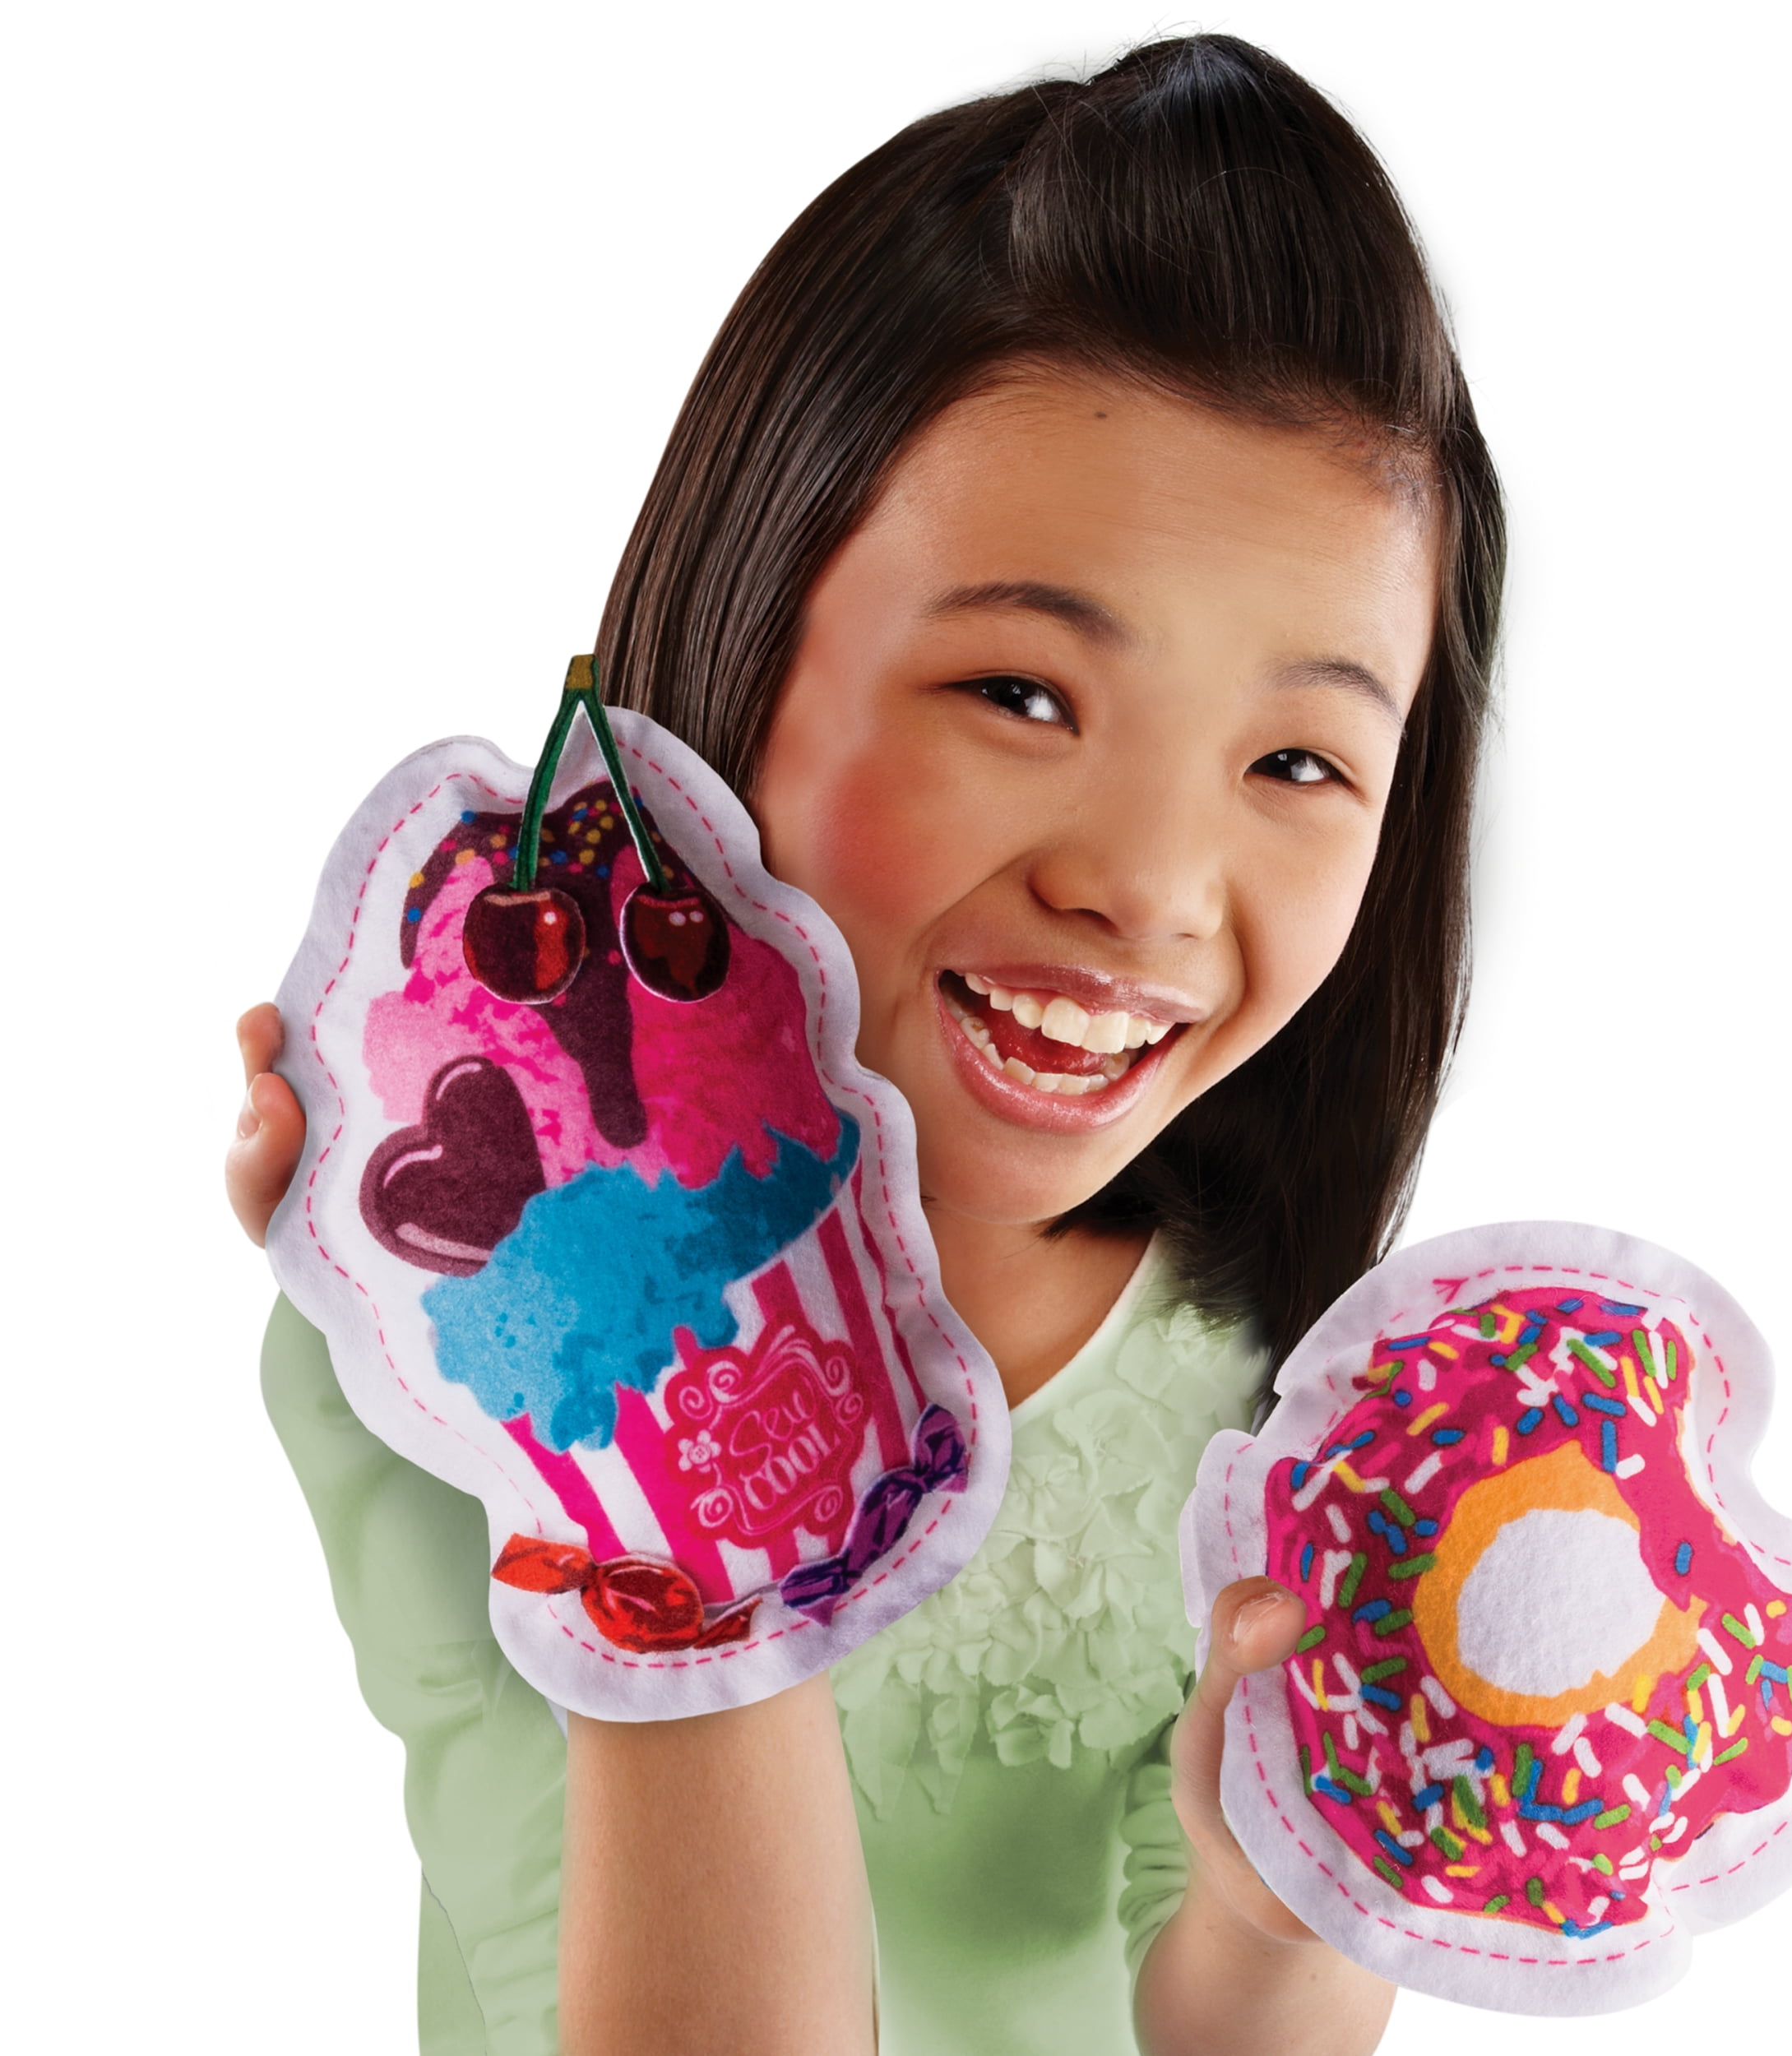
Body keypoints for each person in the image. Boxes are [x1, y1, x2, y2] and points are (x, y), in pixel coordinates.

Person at [227, 33, 1503, 2056]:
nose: (1150, 885)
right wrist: (633, 1418)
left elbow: (1210, 2003)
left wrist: (1290, 1908)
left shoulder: (1251, 1389)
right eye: (1020, 693)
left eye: (1294, 760)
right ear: (740, 650)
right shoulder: (449, 1370)